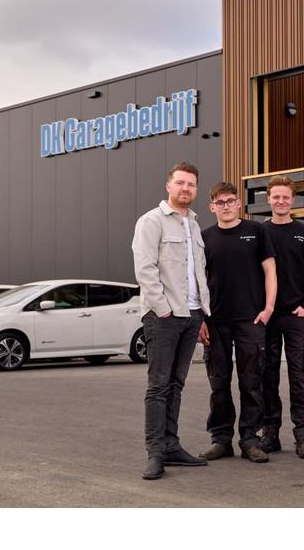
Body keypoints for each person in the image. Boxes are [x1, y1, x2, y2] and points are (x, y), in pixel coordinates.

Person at [132, 161, 211, 481]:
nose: (185, 189)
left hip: (191, 314)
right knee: (159, 385)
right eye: (180, 183)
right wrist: (163, 308)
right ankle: (155, 453)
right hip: (164, 316)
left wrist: (201, 312)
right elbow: (145, 269)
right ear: (169, 186)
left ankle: (171, 445)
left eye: (191, 184)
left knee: (176, 384)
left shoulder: (193, 224)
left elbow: (198, 272)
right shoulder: (151, 221)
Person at [199, 181, 277, 464]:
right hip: (215, 320)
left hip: (250, 318)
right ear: (212, 207)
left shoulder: (257, 231)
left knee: (251, 381)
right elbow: (197, 280)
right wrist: (200, 318)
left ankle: (250, 439)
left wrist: (268, 308)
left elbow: (270, 271)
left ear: (239, 203)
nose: (226, 206)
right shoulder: (204, 238)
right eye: (220, 202)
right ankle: (221, 439)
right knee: (219, 383)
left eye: (231, 201)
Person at [261, 175, 304, 460]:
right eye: (276, 197)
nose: (281, 201)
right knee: (267, 375)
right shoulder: (260, 232)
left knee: (300, 377)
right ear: (268, 199)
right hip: (268, 317)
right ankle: (270, 433)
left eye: (286, 197)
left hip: (297, 315)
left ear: (293, 200)